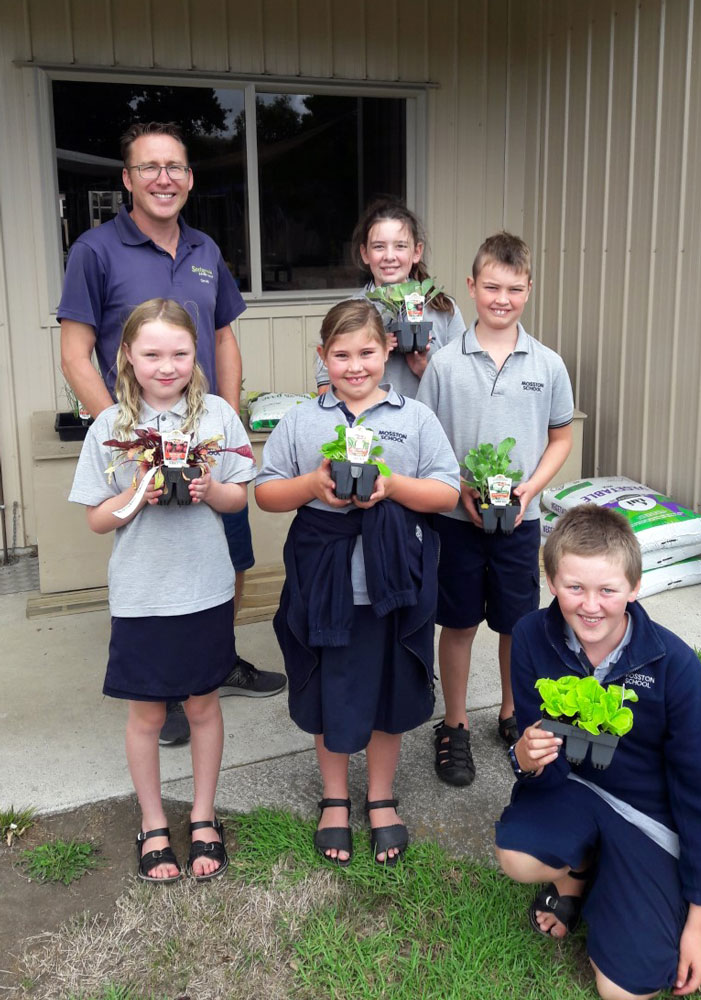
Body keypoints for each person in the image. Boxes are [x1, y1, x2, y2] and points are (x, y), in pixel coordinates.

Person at [58, 121, 286, 747]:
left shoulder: (206, 250)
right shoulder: (95, 251)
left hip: (206, 447)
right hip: (141, 448)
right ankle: (167, 689)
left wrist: (226, 427)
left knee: (231, 554)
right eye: (150, 167)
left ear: (189, 178)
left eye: (177, 167)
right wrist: (129, 437)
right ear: (127, 179)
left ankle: (212, 665)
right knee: (156, 563)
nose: (165, 178)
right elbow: (76, 353)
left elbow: (221, 340)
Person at [495, 505, 701, 999]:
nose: (590, 605)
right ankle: (579, 874)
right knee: (516, 856)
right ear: (551, 579)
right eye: (574, 587)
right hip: (574, 789)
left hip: (647, 816)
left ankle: (619, 878)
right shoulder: (531, 637)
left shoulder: (675, 665)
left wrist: (698, 922)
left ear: (635, 586)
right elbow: (534, 766)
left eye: (608, 590)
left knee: (624, 991)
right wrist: (524, 755)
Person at [255, 299, 460, 866]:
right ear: (322, 357)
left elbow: (445, 492)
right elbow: (266, 493)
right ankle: (335, 798)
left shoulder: (414, 417)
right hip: (326, 580)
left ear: (387, 349)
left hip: (392, 577)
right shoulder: (302, 420)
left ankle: (381, 797)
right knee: (329, 684)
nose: (354, 365)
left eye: (366, 352)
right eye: (340, 354)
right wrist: (312, 486)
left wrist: (393, 486)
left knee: (388, 687)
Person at [69, 298, 258, 881]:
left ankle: (203, 816)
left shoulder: (218, 416)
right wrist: (135, 498)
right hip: (142, 594)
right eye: (151, 353)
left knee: (203, 704)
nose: (166, 365)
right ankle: (152, 820)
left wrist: (207, 487)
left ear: (196, 352)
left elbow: (238, 495)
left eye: (179, 352)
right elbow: (96, 518)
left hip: (204, 589)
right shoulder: (110, 426)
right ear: (127, 355)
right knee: (147, 712)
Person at [416, 231, 574, 785]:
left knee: (517, 624)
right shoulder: (443, 365)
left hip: (520, 522)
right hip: (457, 522)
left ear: (529, 288)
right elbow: (428, 439)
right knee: (457, 623)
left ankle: (513, 713)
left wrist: (530, 490)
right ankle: (454, 724)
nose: (501, 298)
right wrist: (458, 487)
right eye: (490, 287)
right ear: (471, 287)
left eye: (513, 288)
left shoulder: (548, 364)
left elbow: (560, 437)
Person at [315, 199, 465, 398]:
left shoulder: (443, 309)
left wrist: (422, 368)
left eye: (400, 246)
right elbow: (325, 391)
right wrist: (369, 348)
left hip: (428, 425)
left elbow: (463, 389)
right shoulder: (347, 313)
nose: (389, 256)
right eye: (379, 247)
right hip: (366, 427)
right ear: (365, 253)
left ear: (416, 252)